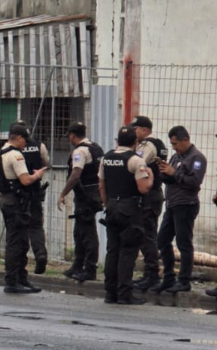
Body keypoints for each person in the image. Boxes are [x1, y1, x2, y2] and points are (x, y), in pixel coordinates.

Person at [98, 126, 154, 305]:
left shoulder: (106, 158)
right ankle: (124, 294)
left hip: (112, 206)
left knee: (112, 250)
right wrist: (151, 177)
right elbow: (143, 188)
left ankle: (110, 293)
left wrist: (107, 205)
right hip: (129, 208)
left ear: (117, 142)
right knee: (128, 251)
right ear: (135, 143)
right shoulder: (136, 161)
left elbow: (101, 185)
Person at [0, 123, 48, 294]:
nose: (25, 143)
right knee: (16, 243)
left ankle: (21, 279)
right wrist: (37, 175)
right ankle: (12, 281)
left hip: (7, 200)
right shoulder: (15, 155)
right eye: (24, 139)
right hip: (16, 203)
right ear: (17, 138)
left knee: (21, 241)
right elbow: (25, 180)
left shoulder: (0, 153)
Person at [156, 126, 207, 294]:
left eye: (176, 143)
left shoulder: (197, 158)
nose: (174, 147)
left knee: (183, 243)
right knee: (162, 240)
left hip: (186, 204)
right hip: (172, 204)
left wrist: (174, 172)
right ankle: (168, 277)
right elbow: (171, 179)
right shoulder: (175, 156)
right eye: (172, 144)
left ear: (185, 139)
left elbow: (194, 183)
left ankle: (184, 280)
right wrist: (163, 171)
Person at [57, 122, 104, 282]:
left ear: (72, 135)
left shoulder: (80, 151)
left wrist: (63, 193)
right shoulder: (96, 148)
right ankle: (77, 266)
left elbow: (76, 174)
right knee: (79, 232)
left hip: (85, 197)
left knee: (87, 233)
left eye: (69, 136)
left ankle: (90, 269)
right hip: (95, 194)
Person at [131, 116, 168, 291]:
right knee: (146, 234)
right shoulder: (156, 144)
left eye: (136, 128)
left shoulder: (148, 146)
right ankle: (149, 273)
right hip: (153, 194)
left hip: (149, 194)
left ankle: (152, 274)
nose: (133, 132)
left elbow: (138, 165)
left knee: (147, 235)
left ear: (144, 130)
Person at [14, 120, 51, 275]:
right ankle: (40, 254)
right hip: (35, 191)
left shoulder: (11, 149)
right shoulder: (39, 146)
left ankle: (18, 263)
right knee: (35, 226)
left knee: (17, 229)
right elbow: (46, 163)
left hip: (17, 193)